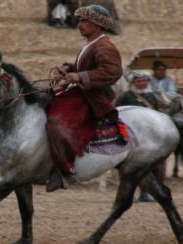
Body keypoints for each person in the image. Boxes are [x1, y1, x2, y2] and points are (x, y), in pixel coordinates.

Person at [45, 4, 123, 192]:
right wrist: (68, 69)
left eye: (84, 21)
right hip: (81, 92)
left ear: (96, 24)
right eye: (79, 20)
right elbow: (86, 66)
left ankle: (65, 170)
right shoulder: (91, 44)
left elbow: (113, 71)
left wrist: (80, 77)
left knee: (56, 123)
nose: (79, 24)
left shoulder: (105, 46)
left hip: (93, 99)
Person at [114, 71, 166, 202]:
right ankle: (127, 195)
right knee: (127, 168)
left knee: (152, 166)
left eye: (144, 81)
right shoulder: (125, 96)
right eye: (139, 81)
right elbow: (116, 113)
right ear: (133, 82)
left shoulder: (152, 97)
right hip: (131, 137)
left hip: (150, 138)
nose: (142, 83)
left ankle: (146, 193)